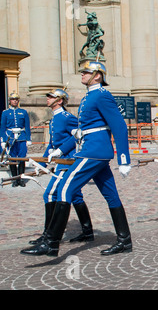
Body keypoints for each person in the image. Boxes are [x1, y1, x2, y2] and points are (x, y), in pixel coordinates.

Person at [21, 61, 132, 257]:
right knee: (111, 195)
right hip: (91, 148)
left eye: (86, 72)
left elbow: (119, 126)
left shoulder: (102, 96)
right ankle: (125, 240)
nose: (82, 74)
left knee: (65, 187)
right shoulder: (89, 96)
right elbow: (80, 133)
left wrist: (124, 159)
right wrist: (59, 151)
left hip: (94, 151)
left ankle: (51, 243)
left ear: (97, 75)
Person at [28, 88, 94, 246]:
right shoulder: (54, 119)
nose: (47, 99)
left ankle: (47, 235)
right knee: (75, 195)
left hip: (67, 162)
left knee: (50, 195)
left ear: (59, 101)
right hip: (60, 162)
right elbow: (51, 145)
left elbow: (77, 136)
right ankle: (87, 231)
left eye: (51, 97)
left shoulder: (66, 118)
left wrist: (60, 150)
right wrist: (42, 165)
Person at [0, 92, 32, 187]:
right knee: (11, 158)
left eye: (17, 99)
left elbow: (27, 126)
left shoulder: (23, 112)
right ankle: (14, 179)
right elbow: (2, 127)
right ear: (10, 101)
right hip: (10, 137)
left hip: (21, 137)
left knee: (22, 158)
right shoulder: (5, 113)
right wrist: (3, 140)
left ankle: (21, 178)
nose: (15, 101)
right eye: (13, 99)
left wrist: (28, 139)